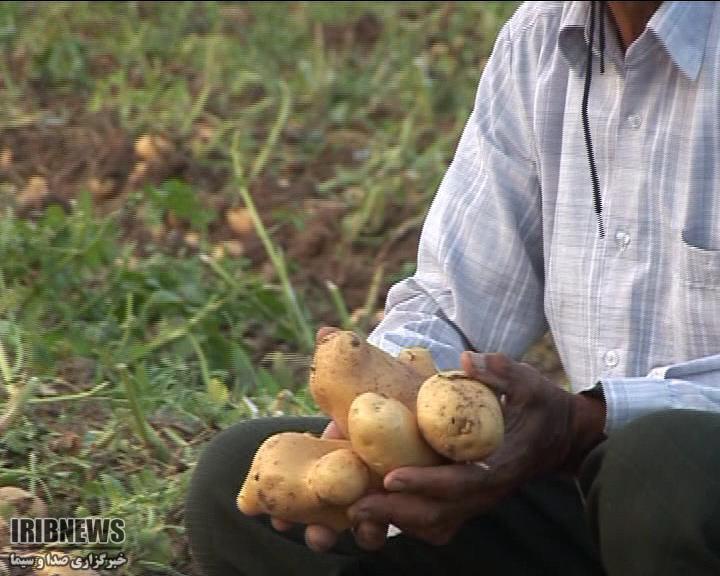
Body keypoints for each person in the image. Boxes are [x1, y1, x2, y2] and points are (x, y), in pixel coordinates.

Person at [185, 1, 720, 574]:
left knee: (661, 467)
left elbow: (625, 448)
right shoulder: (540, 39)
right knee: (239, 483)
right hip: (599, 509)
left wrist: (588, 422)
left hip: (683, 498)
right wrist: (383, 419)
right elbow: (454, 302)